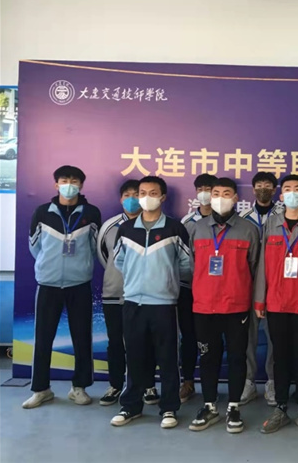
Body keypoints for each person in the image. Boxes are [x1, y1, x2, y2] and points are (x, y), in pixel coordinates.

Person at [110, 176, 191, 429]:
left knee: (167, 359)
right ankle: (131, 406)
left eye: (153, 193)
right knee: (134, 357)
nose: (146, 197)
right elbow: (119, 261)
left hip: (164, 303)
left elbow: (186, 265)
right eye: (142, 192)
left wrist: (165, 279)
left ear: (163, 197)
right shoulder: (126, 229)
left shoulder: (175, 229)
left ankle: (169, 408)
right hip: (133, 302)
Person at [23, 165, 102, 409]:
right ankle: (41, 389)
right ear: (56, 184)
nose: (69, 184)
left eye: (74, 180)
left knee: (82, 336)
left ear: (81, 185)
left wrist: (80, 267)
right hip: (48, 284)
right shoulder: (42, 212)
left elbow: (94, 247)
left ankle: (79, 388)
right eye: (64, 180)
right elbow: (35, 246)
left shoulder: (91, 213)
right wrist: (50, 266)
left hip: (79, 284)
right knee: (43, 337)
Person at [254, 175, 298, 435]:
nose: (293, 193)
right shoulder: (271, 224)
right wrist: (260, 299)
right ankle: (281, 407)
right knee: (280, 358)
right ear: (281, 196)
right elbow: (263, 266)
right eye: (288, 189)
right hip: (276, 303)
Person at [188, 178, 260, 434]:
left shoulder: (249, 230)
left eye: (226, 193)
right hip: (204, 305)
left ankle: (233, 406)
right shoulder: (197, 228)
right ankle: (209, 406)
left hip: (236, 306)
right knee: (208, 356)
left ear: (236, 198)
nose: (220, 198)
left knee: (238, 357)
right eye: (215, 193)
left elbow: (254, 267)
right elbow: (191, 265)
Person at [96, 179, 159, 407]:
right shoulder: (109, 226)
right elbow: (104, 256)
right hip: (115, 292)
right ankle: (115, 384)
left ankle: (148, 385)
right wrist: (119, 276)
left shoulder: (156, 224)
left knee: (146, 342)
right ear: (120, 198)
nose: (132, 199)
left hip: (145, 294)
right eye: (127, 195)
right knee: (115, 342)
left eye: (136, 194)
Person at [240, 171, 280, 406]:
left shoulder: (284, 216)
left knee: (274, 335)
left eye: (268, 185)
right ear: (253, 189)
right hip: (249, 283)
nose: (263, 188)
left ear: (274, 190)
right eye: (259, 184)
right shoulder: (243, 218)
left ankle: (272, 381)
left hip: (276, 283)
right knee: (248, 336)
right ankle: (248, 380)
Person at [178, 173, 217, 403]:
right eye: (200, 189)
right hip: (189, 287)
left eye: (208, 189)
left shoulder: (226, 220)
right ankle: (188, 381)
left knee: (215, 337)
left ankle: (214, 385)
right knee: (189, 336)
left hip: (217, 288)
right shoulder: (186, 222)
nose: (204, 193)